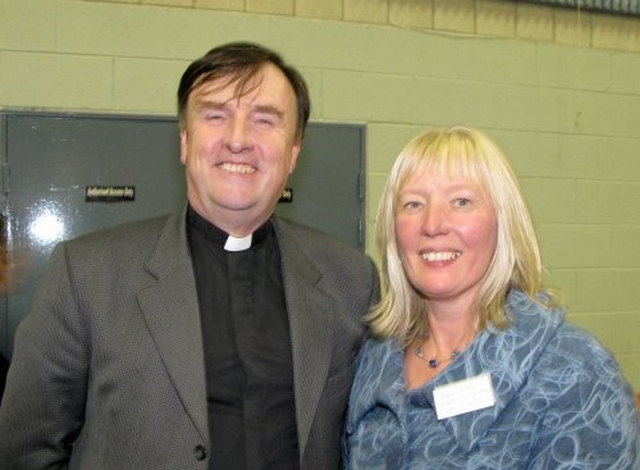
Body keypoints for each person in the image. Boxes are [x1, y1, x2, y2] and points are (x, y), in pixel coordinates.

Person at [0, 42, 380, 470]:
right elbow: (25, 450)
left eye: (264, 120)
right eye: (215, 115)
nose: (238, 140)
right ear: (184, 141)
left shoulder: (350, 280)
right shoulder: (87, 274)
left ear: (293, 153)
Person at [343, 126, 640, 469]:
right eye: (413, 204)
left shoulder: (575, 373)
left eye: (461, 201)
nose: (433, 224)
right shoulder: (373, 359)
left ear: (504, 223)